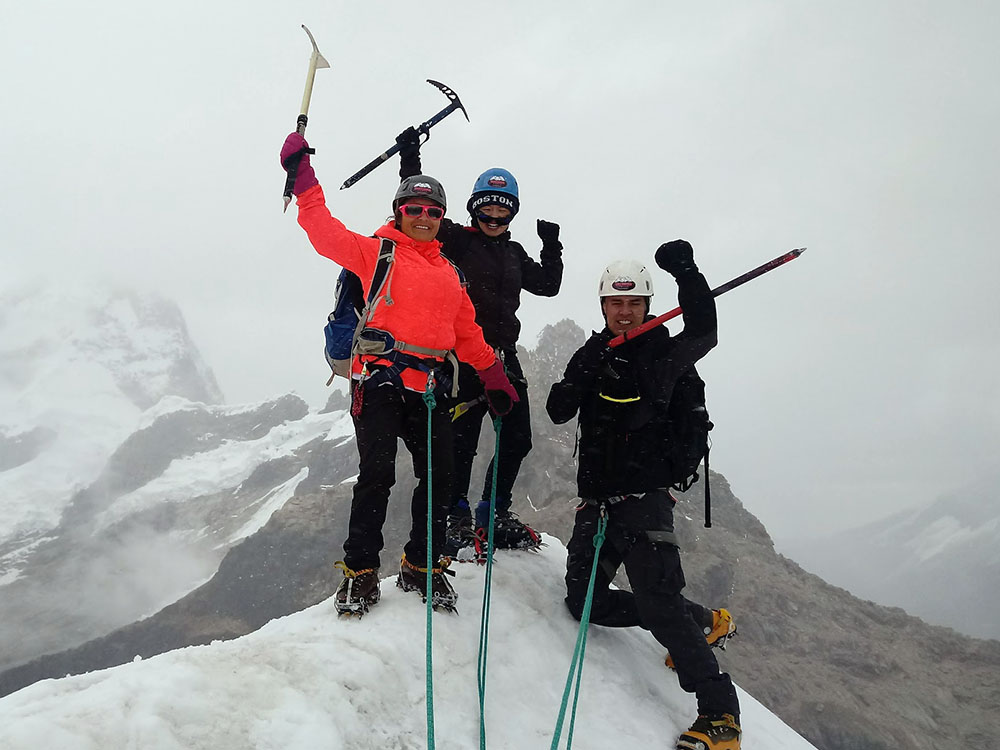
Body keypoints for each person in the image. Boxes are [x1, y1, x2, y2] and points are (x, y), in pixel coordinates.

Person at [279, 132, 518, 615]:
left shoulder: (450, 274)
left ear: (441, 218)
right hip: (380, 381)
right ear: (399, 212)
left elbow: (467, 333)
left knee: (439, 478)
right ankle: (361, 571)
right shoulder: (376, 254)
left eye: (433, 212)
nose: (424, 218)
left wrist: (495, 376)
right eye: (414, 209)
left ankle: (421, 565)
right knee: (378, 474)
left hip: (429, 389)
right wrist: (303, 178)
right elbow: (322, 230)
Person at [545, 243, 741, 750]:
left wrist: (688, 272)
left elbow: (704, 331)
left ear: (648, 305)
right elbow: (558, 410)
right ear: (603, 305)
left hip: (644, 500)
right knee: (584, 603)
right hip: (597, 504)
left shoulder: (664, 352)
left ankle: (720, 714)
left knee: (657, 602)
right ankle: (702, 621)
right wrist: (582, 375)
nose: (624, 311)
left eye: (633, 303)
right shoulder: (592, 352)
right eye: (615, 302)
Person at [395, 128, 563, 556]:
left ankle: (493, 511)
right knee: (461, 442)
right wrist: (410, 156)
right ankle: (457, 517)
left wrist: (551, 246)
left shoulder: (515, 252)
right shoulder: (454, 238)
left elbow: (548, 285)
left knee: (517, 436)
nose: (493, 218)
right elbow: (419, 211)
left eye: (501, 212)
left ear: (512, 215)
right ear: (473, 210)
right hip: (459, 358)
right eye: (486, 210)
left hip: (503, 358)